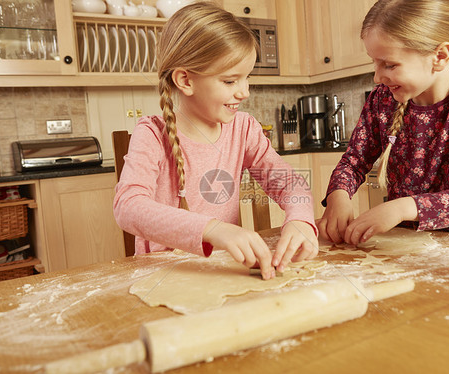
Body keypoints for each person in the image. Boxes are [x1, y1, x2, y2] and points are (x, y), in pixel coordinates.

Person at [113, 2, 318, 280]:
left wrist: (301, 219)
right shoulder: (151, 133)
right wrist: (212, 229)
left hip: (224, 271)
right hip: (164, 276)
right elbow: (128, 206)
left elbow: (288, 181)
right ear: (185, 80)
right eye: (230, 81)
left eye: (247, 78)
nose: (244, 92)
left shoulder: (244, 128)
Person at [317, 0, 449, 245]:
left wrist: (401, 209)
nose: (377, 76)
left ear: (440, 56)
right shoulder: (382, 99)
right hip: (405, 245)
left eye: (389, 65)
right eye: (374, 62)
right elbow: (353, 161)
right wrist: (338, 196)